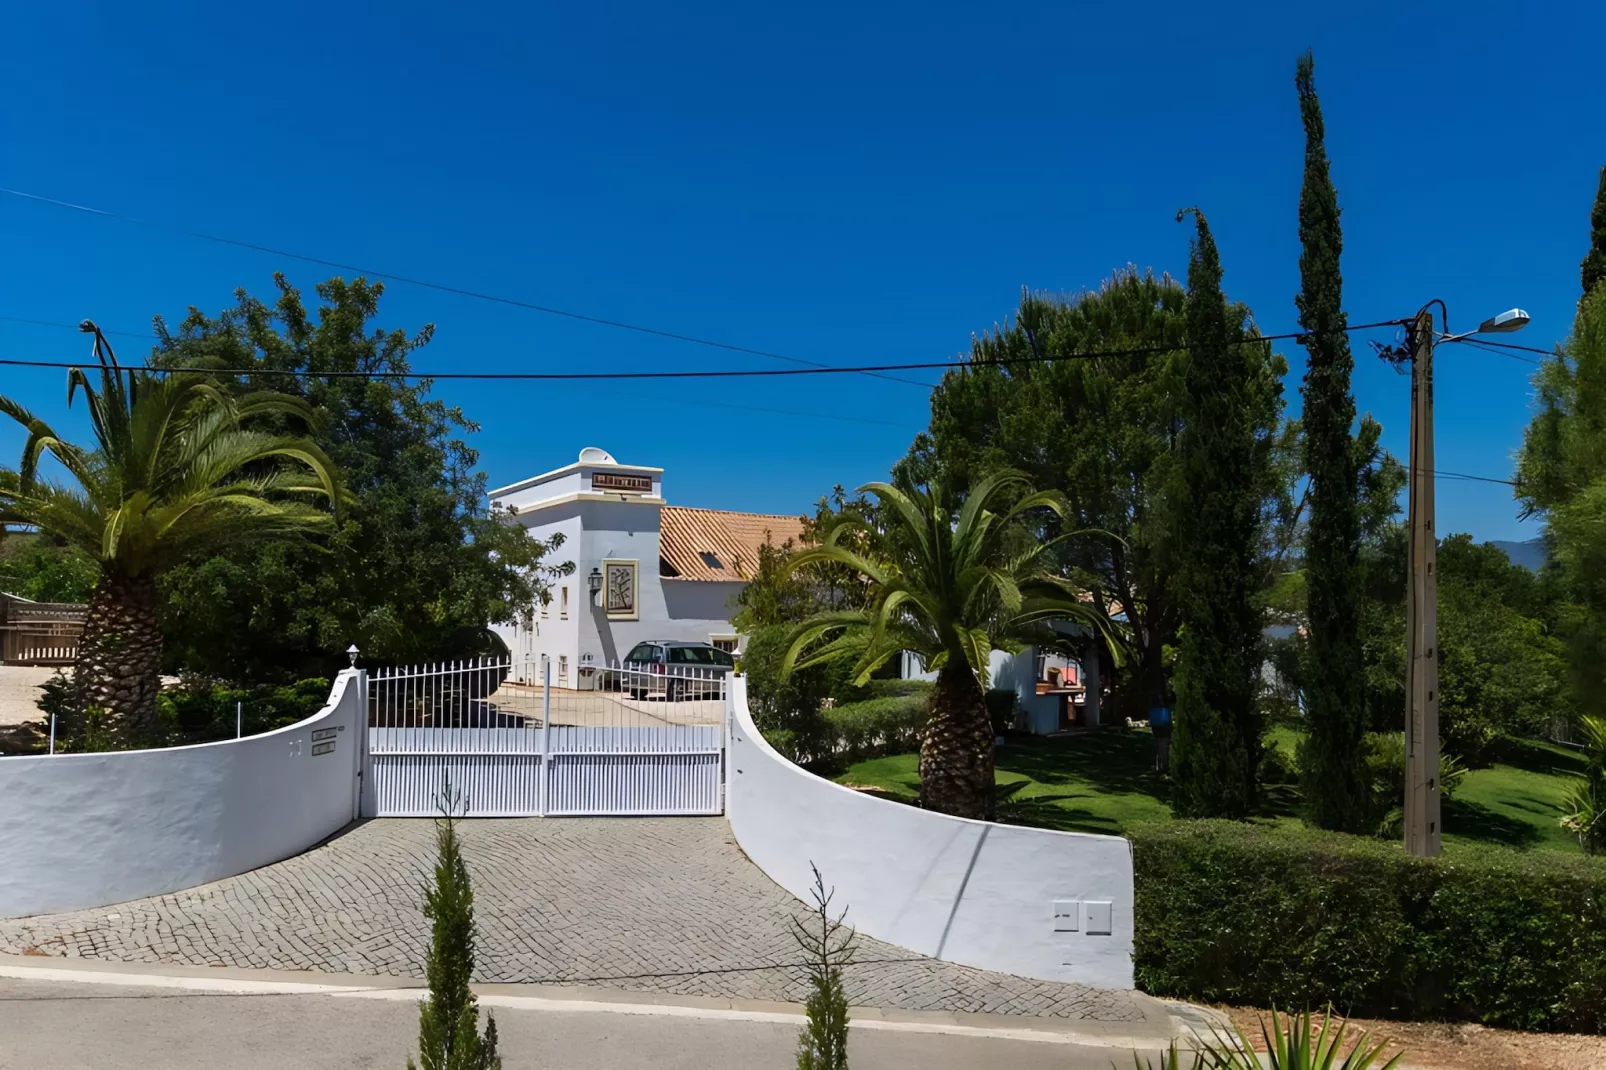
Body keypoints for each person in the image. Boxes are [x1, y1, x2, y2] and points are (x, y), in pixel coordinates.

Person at [1148, 705, 1172, 773]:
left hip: (1157, 715)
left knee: (1159, 744)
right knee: (1163, 744)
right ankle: (1163, 766)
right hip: (1162, 716)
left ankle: (1160, 766)